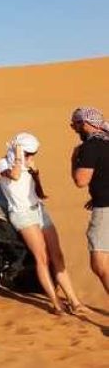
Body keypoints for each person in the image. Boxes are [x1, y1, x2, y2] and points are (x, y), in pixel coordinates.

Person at [0, 132, 88, 314]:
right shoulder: (4, 163)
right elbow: (13, 176)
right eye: (28, 153)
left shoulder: (27, 165)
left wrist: (35, 173)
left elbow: (38, 191)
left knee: (57, 256)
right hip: (22, 214)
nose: (30, 157)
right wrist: (19, 156)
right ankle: (56, 303)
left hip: (38, 210)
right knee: (42, 258)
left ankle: (75, 302)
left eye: (32, 154)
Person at [69, 106, 109, 294]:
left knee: (99, 264)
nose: (74, 129)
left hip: (105, 210)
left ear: (84, 124)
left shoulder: (89, 148)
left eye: (75, 124)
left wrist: (74, 159)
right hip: (103, 202)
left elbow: (80, 181)